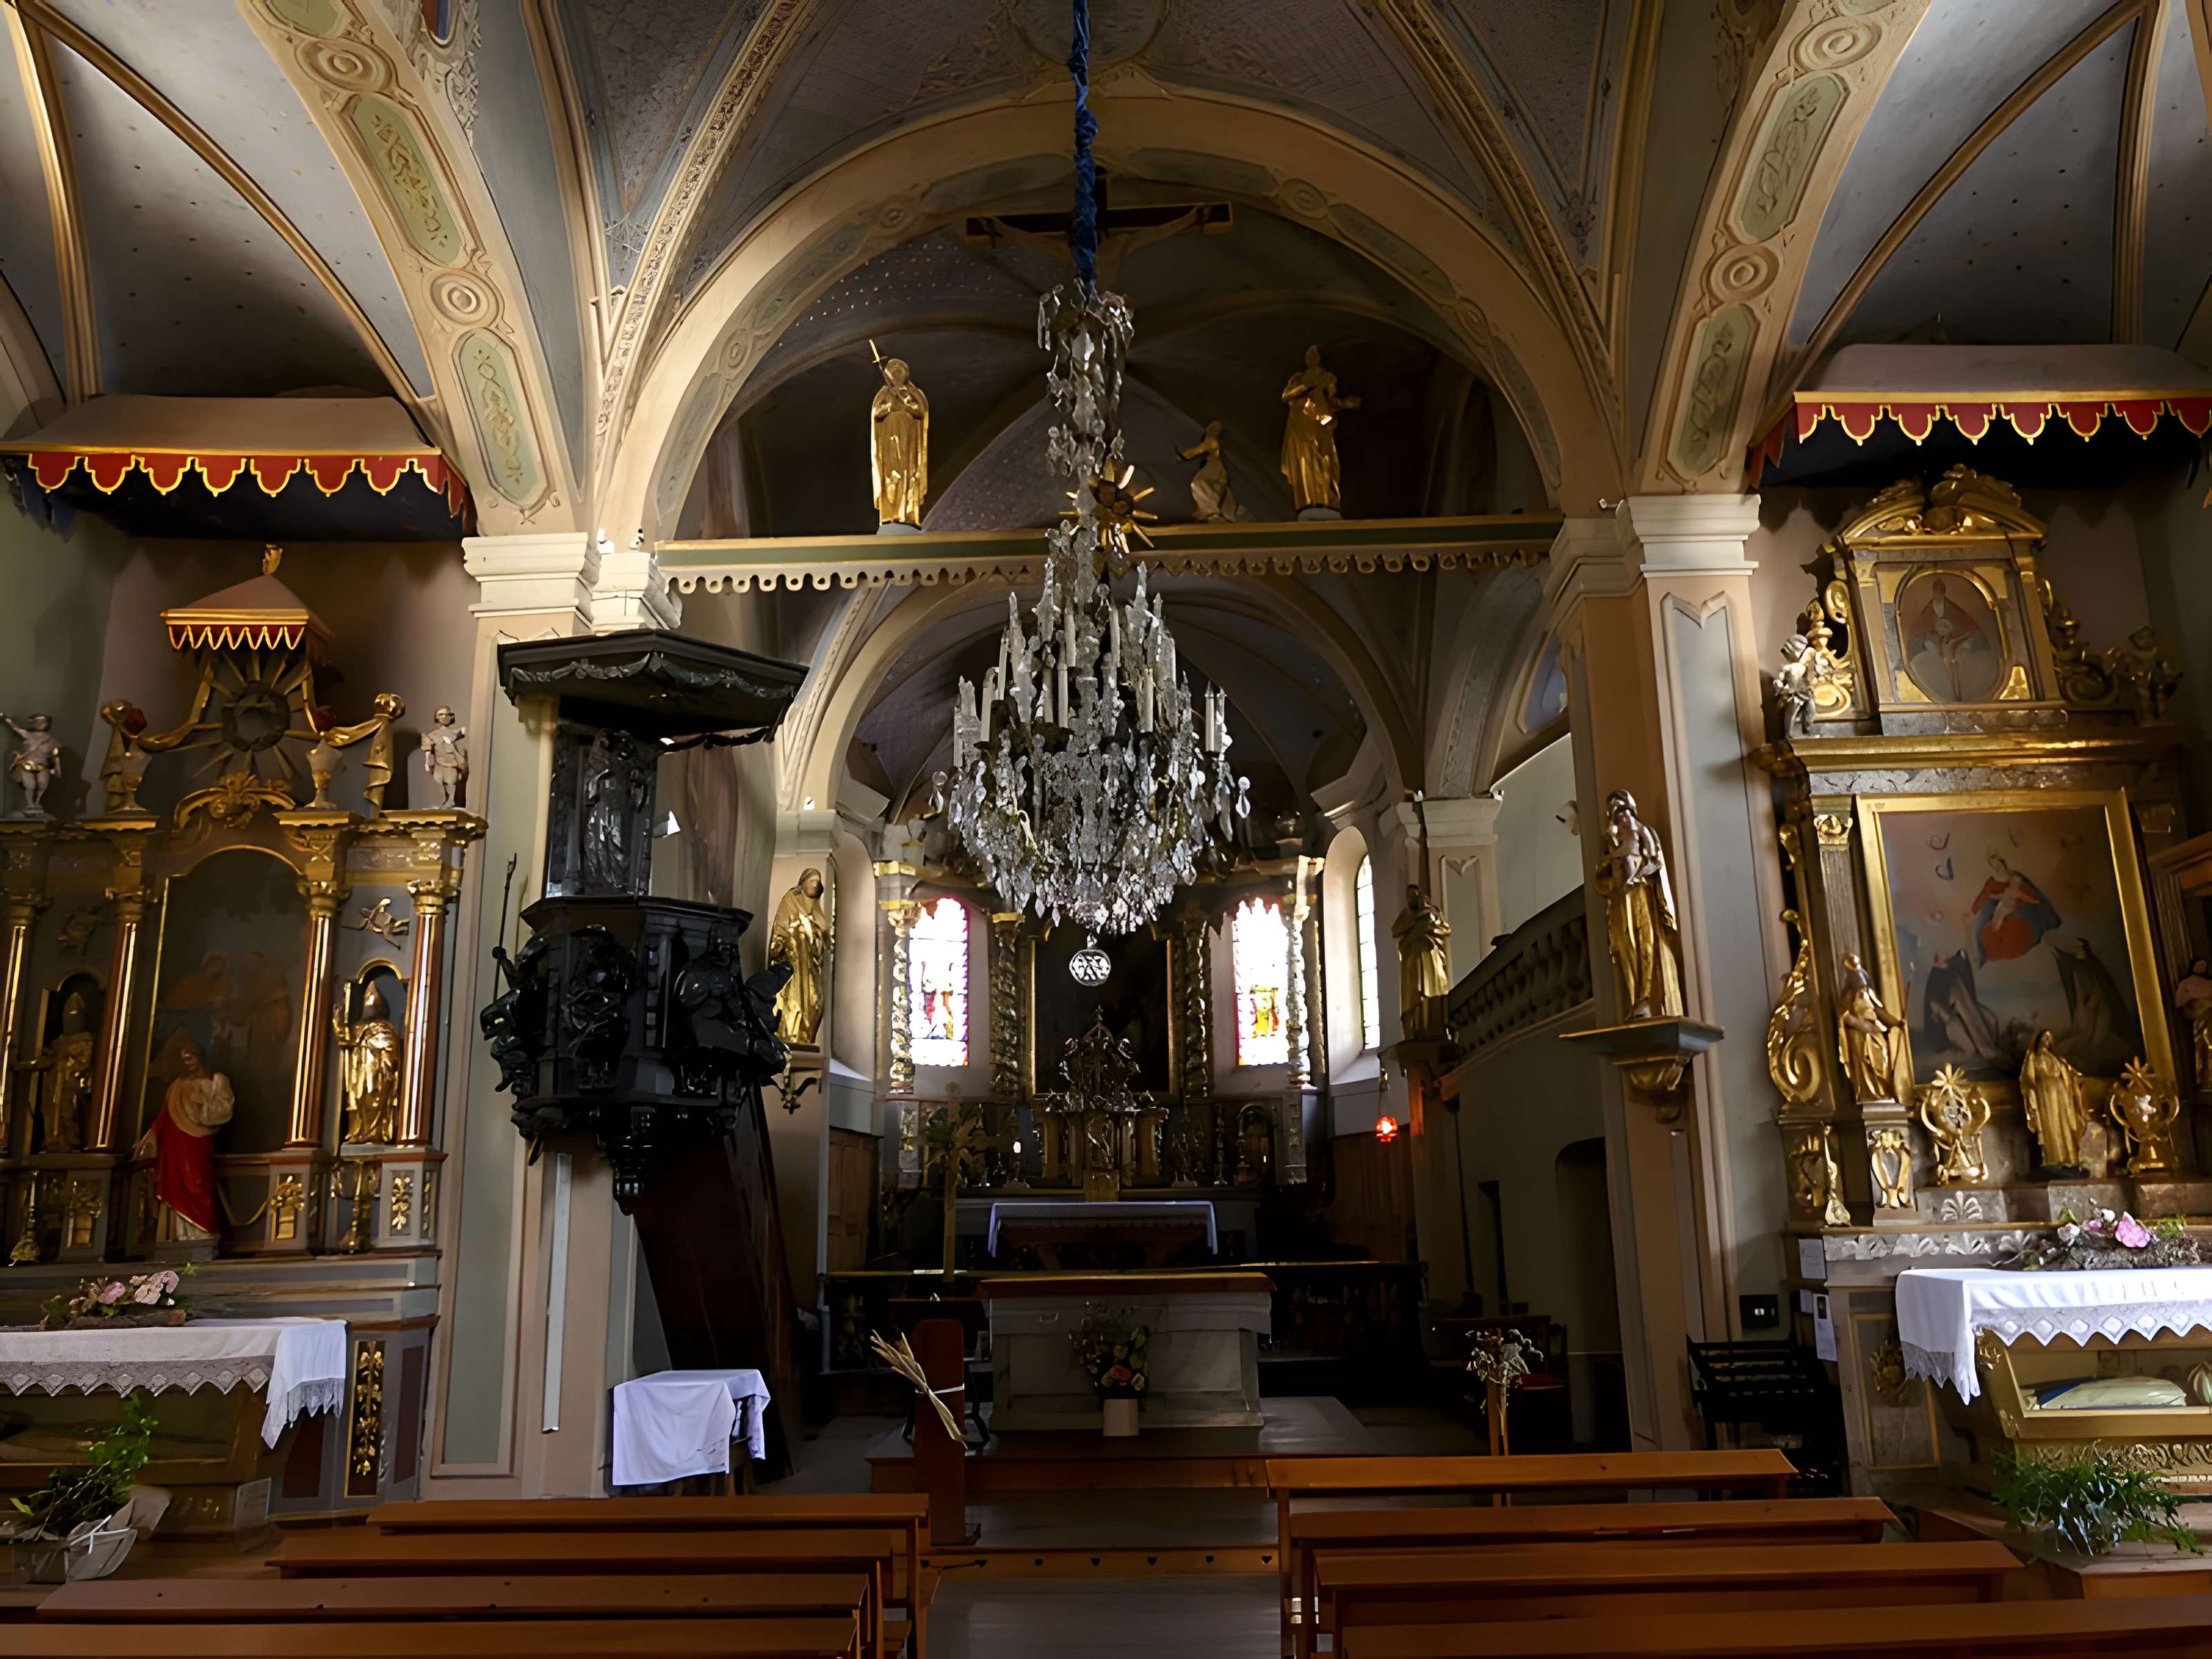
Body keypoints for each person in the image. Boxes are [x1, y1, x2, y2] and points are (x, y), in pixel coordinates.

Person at [1593, 789, 1683, 1020]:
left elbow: (1655, 860)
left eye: (1625, 813)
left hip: (1642, 895)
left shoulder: (1644, 834)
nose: (1623, 819)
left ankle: (1647, 997)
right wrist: (1615, 869)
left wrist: (1640, 871)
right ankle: (1637, 999)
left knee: (1645, 942)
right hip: (1623, 902)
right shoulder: (1613, 845)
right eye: (1618, 816)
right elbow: (1603, 880)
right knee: (1627, 946)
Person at [133, 1034, 233, 1241]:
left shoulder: (215, 1083)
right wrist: (147, 1140)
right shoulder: (176, 1086)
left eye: (190, 1058)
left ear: (199, 1058)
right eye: (183, 1059)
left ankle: (201, 1233)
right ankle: (179, 1234)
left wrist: (203, 1106)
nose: (187, 1063)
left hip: (197, 1146)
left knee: (198, 1186)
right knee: (175, 1187)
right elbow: (162, 1118)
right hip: (174, 1145)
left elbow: (222, 1112)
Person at [1278, 346, 1359, 514]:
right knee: (1303, 460)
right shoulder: (1298, 378)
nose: (1311, 358)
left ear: (1320, 358)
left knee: (1322, 460)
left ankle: (1325, 499)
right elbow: (1286, 396)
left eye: (1314, 355)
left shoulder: (1328, 378)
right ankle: (1307, 501)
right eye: (1309, 355)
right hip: (1300, 424)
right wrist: (1306, 385)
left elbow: (1331, 400)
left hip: (1319, 423)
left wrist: (1345, 404)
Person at [767, 868, 832, 1047]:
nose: (815, 883)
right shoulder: (790, 904)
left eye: (818, 880)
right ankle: (789, 1042)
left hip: (812, 975)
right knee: (793, 1008)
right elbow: (778, 940)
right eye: (811, 879)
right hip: (794, 976)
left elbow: (823, 949)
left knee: (813, 1007)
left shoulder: (818, 918)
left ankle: (804, 1042)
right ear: (801, 884)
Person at [334, 982, 404, 1145]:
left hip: (378, 1076)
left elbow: (392, 1054)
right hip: (360, 1075)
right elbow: (344, 1036)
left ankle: (376, 1134)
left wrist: (380, 1052)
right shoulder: (359, 1028)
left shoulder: (386, 1029)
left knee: (376, 1103)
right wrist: (337, 1019)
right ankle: (359, 1133)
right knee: (359, 1101)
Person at [870, 356, 929, 527]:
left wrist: (906, 400)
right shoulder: (885, 393)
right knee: (891, 472)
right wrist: (889, 405)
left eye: (899, 373)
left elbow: (920, 411)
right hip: (890, 435)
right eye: (894, 373)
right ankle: (891, 511)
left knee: (908, 471)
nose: (896, 376)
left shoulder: (911, 393)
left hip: (908, 437)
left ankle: (906, 511)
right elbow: (877, 413)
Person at [2019, 1029, 2090, 1171]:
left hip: (2062, 1096)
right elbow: (2028, 1080)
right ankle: (2055, 1158)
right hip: (2046, 1096)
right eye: (2043, 1039)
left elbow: (2069, 1071)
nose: (2045, 1042)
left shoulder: (2056, 1058)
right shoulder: (2034, 1057)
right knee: (2052, 1125)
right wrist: (2033, 1095)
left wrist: (2075, 1077)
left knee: (2065, 1125)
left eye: (2048, 1039)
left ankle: (2070, 1157)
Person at [1391, 885, 1452, 1040]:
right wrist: (1417, 925)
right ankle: (1415, 1030)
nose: (1414, 898)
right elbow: (1396, 931)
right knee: (1415, 994)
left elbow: (1445, 929)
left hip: (1432, 959)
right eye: (1410, 896)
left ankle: (1436, 1027)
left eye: (1416, 895)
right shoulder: (1406, 915)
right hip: (1413, 962)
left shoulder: (1433, 913)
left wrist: (1429, 922)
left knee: (1434, 993)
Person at [1177, 420, 1248, 522]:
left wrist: (1182, 457)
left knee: (1198, 484)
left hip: (1214, 466)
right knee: (1205, 486)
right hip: (1212, 466)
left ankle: (1210, 508)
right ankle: (1210, 508)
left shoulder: (1212, 442)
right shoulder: (1211, 442)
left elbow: (1198, 450)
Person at [2, 712, 58, 815]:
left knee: (42, 785)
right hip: (27, 765)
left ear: (47, 723)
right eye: (37, 722)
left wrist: (54, 765)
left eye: (42, 722)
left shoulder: (50, 739)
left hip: (43, 766)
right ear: (32, 723)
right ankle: (30, 804)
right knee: (30, 786)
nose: (39, 724)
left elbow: (54, 754)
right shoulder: (27, 734)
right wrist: (4, 717)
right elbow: (14, 727)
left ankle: (37, 803)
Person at [420, 705, 467, 809]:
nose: (444, 717)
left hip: (452, 763)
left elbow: (464, 732)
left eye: (447, 714)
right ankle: (444, 801)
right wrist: (427, 762)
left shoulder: (455, 732)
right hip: (439, 763)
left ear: (451, 717)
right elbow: (428, 749)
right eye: (441, 714)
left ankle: (451, 801)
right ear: (436, 717)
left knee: (451, 782)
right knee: (440, 782)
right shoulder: (433, 735)